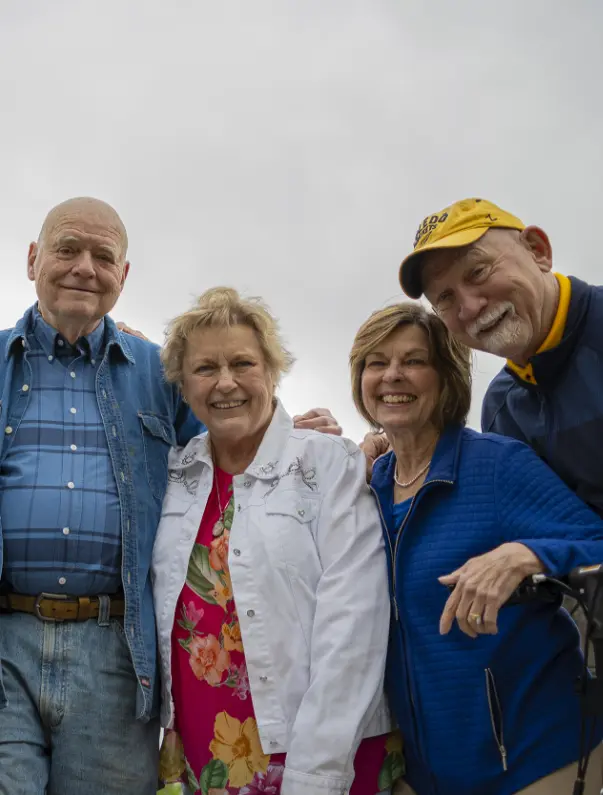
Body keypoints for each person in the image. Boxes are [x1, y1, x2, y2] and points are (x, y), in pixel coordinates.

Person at [0, 197, 341, 795]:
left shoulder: (159, 376)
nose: (85, 266)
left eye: (103, 256)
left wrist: (296, 442)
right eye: (67, 250)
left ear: (123, 277)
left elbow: (228, 440)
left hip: (115, 646)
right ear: (32, 259)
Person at [152, 287, 401, 795]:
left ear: (271, 369)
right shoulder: (174, 474)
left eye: (243, 363)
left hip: (320, 747)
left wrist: (317, 773)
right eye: (204, 369)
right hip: (203, 745)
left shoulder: (329, 463)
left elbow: (354, 623)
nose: (225, 383)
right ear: (182, 385)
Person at [350, 300, 603, 795]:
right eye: (376, 363)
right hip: (424, 771)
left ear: (446, 376)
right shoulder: (365, 489)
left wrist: (526, 554)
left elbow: (595, 539)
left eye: (414, 361)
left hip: (534, 759)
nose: (392, 376)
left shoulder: (497, 466)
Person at [396, 196, 603, 517]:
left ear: (538, 250)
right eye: (445, 298)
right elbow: (554, 530)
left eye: (478, 271)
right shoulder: (502, 410)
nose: (470, 306)